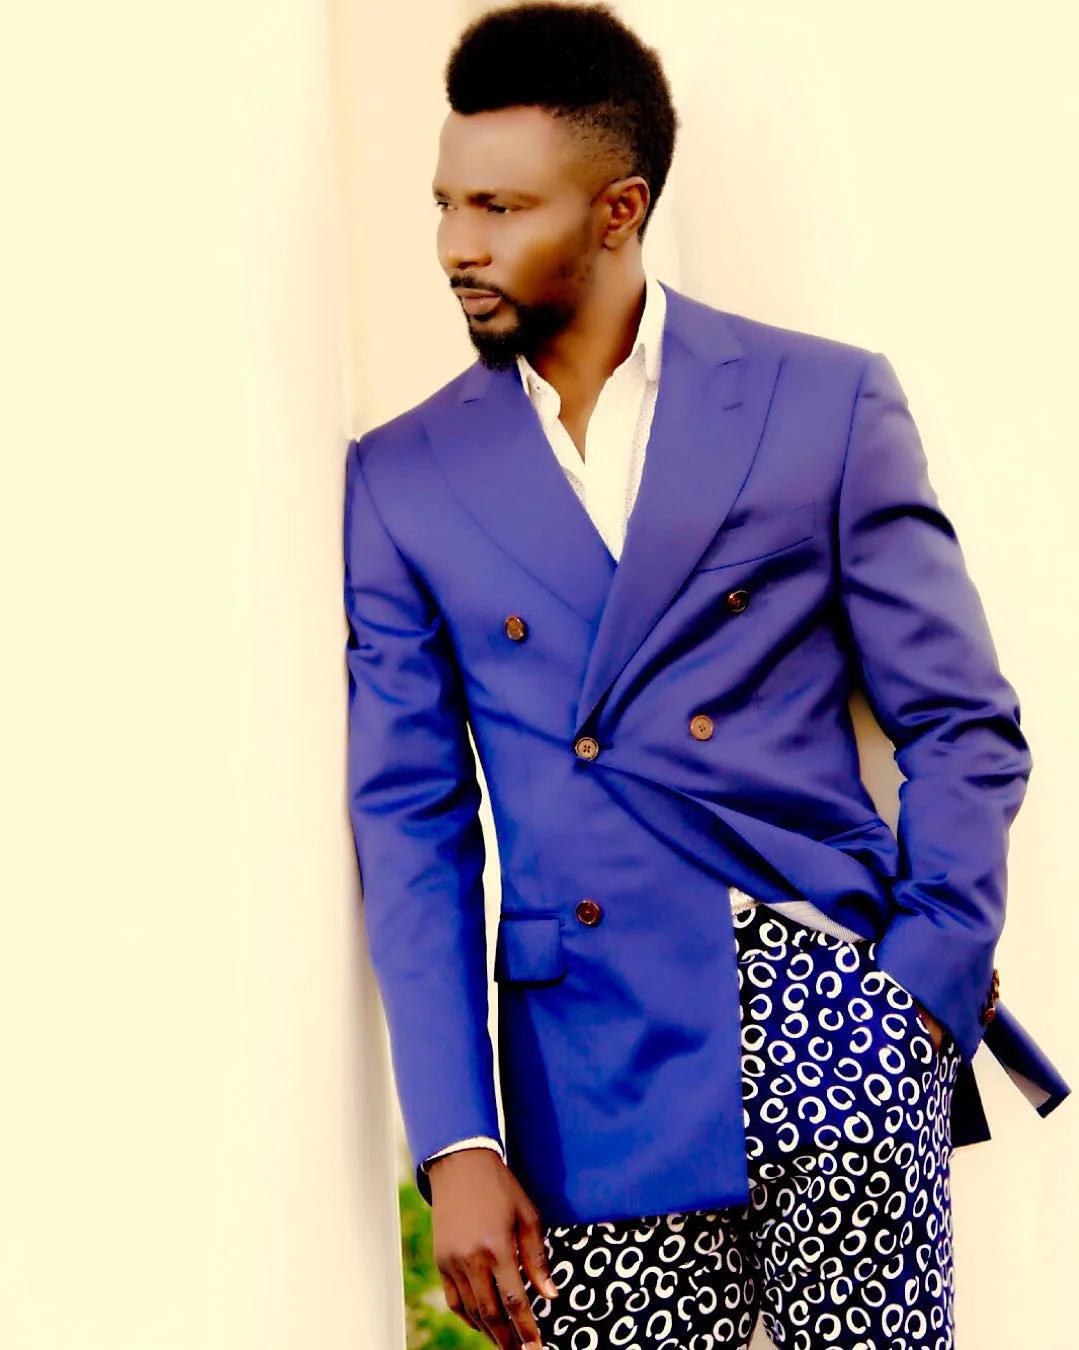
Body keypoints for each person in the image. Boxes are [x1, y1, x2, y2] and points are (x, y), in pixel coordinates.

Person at [342, 4, 1069, 1348]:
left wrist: (918, 990)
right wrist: (455, 1137)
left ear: (618, 210)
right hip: (589, 1066)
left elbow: (962, 721)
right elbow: (412, 823)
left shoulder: (819, 402)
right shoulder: (402, 477)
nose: (456, 246)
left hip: (830, 1020)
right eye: (446, 203)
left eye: (501, 207)